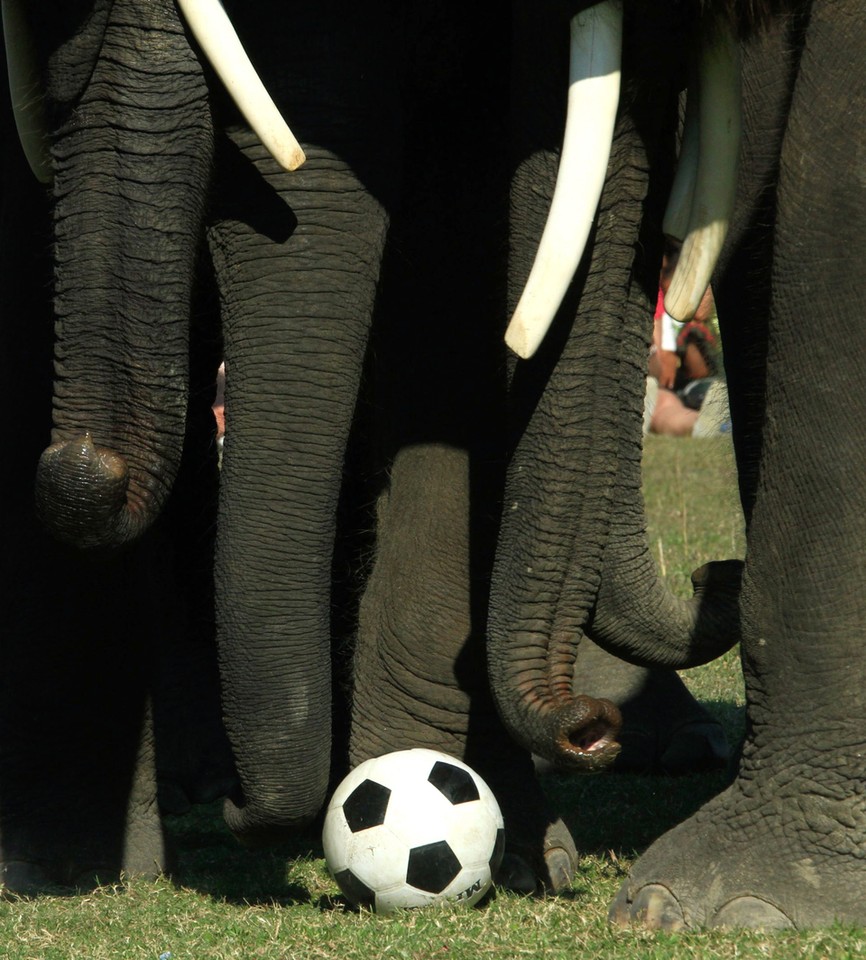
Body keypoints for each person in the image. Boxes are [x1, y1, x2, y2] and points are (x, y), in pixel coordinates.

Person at [645, 243, 729, 437]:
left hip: (699, 382)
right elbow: (663, 367)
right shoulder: (659, 302)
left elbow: (700, 313)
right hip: (673, 387)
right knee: (663, 404)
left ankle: (715, 422)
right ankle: (708, 426)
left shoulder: (681, 306)